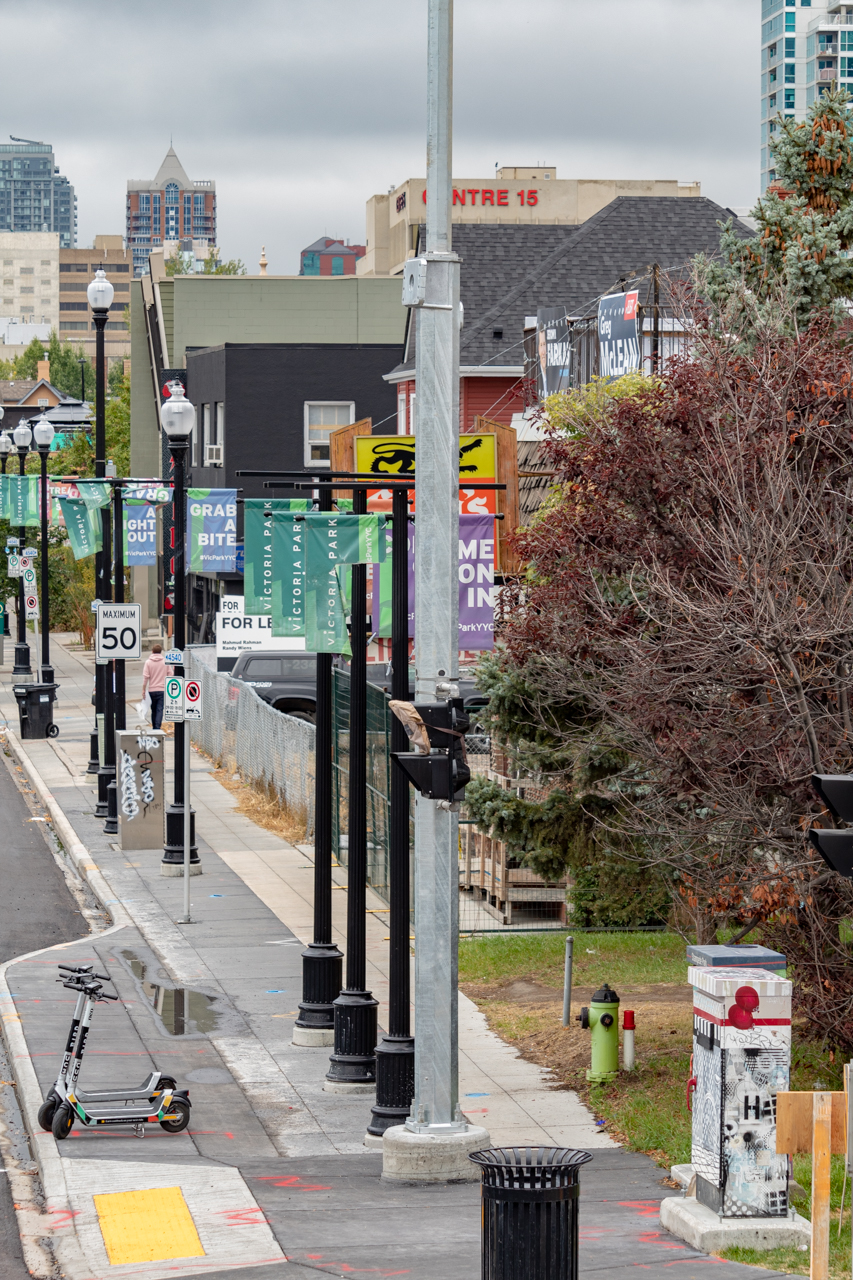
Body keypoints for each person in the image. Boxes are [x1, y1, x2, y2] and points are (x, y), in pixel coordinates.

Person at [141, 644, 169, 730]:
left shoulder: (148, 662)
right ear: (161, 652)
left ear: (152, 651)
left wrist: (143, 689)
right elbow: (170, 674)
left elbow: (146, 677)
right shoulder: (165, 662)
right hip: (162, 689)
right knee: (159, 709)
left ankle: (154, 727)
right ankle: (157, 727)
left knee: (153, 709)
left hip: (152, 690)